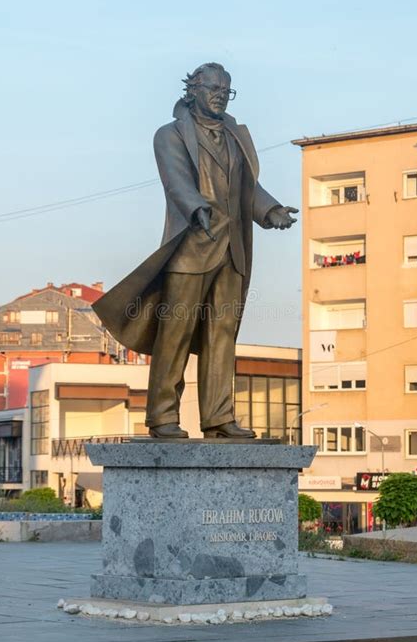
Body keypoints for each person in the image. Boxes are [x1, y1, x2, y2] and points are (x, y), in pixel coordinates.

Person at [92, 63, 297, 439]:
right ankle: (162, 416)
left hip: (232, 250)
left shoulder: (236, 137)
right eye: (213, 88)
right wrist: (195, 206)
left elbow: (248, 187)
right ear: (193, 90)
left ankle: (219, 418)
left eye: (226, 89)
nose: (220, 94)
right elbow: (176, 180)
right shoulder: (169, 135)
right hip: (191, 249)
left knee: (223, 334)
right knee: (176, 334)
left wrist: (271, 211)